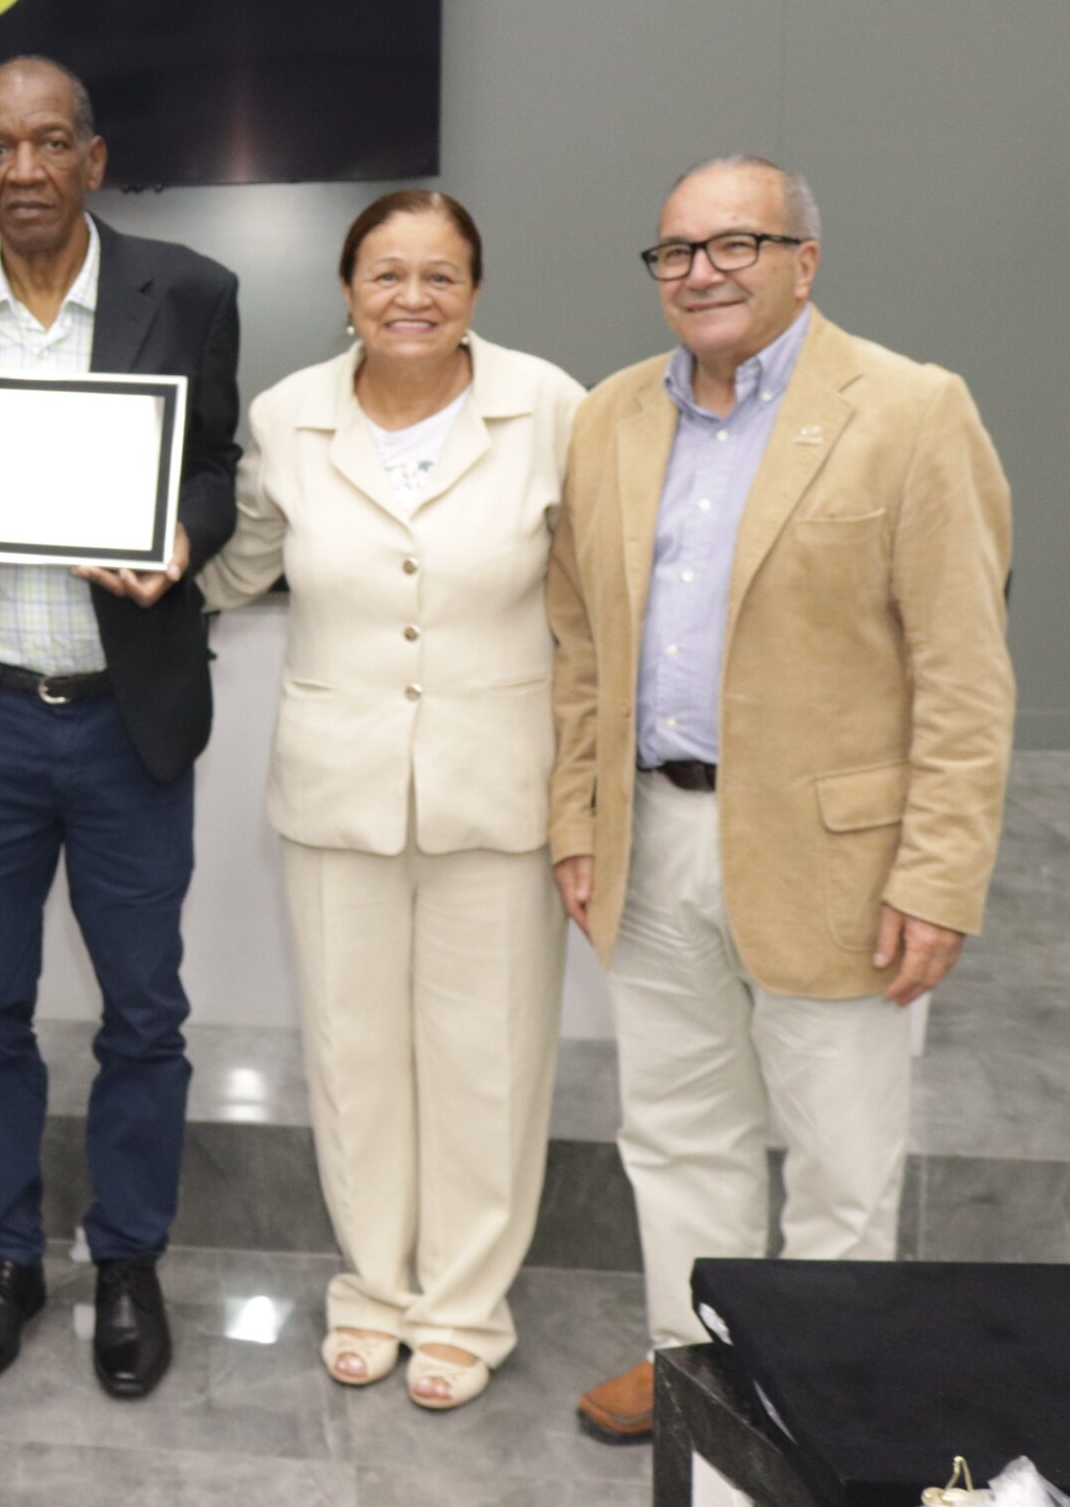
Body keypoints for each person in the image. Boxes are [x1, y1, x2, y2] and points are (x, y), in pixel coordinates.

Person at [550, 157, 1014, 1442]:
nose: (699, 271)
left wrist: (938, 873)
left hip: (835, 860)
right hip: (648, 836)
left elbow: (963, 668)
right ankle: (695, 1368)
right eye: (675, 250)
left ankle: (822, 1406)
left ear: (803, 261)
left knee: (839, 1162)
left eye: (734, 244)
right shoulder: (608, 417)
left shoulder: (910, 409)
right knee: (675, 1134)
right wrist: (576, 820)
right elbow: (579, 643)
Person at [0, 56, 242, 1399]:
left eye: (46, 143)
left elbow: (216, 464)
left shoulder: (188, 290)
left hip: (121, 723)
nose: (21, 169)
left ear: (93, 158)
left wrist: (182, 539)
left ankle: (128, 1258)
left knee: (143, 1011)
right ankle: (9, 1256)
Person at [199, 191, 583, 1411]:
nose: (411, 296)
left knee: (487, 1061)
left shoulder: (549, 407)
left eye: (439, 274)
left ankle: (464, 1308)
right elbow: (240, 561)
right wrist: (128, 556)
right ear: (346, 287)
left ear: (475, 288)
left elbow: (592, 597)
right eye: (385, 273)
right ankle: (372, 1288)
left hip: (497, 787)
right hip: (337, 788)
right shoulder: (289, 413)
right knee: (351, 1057)